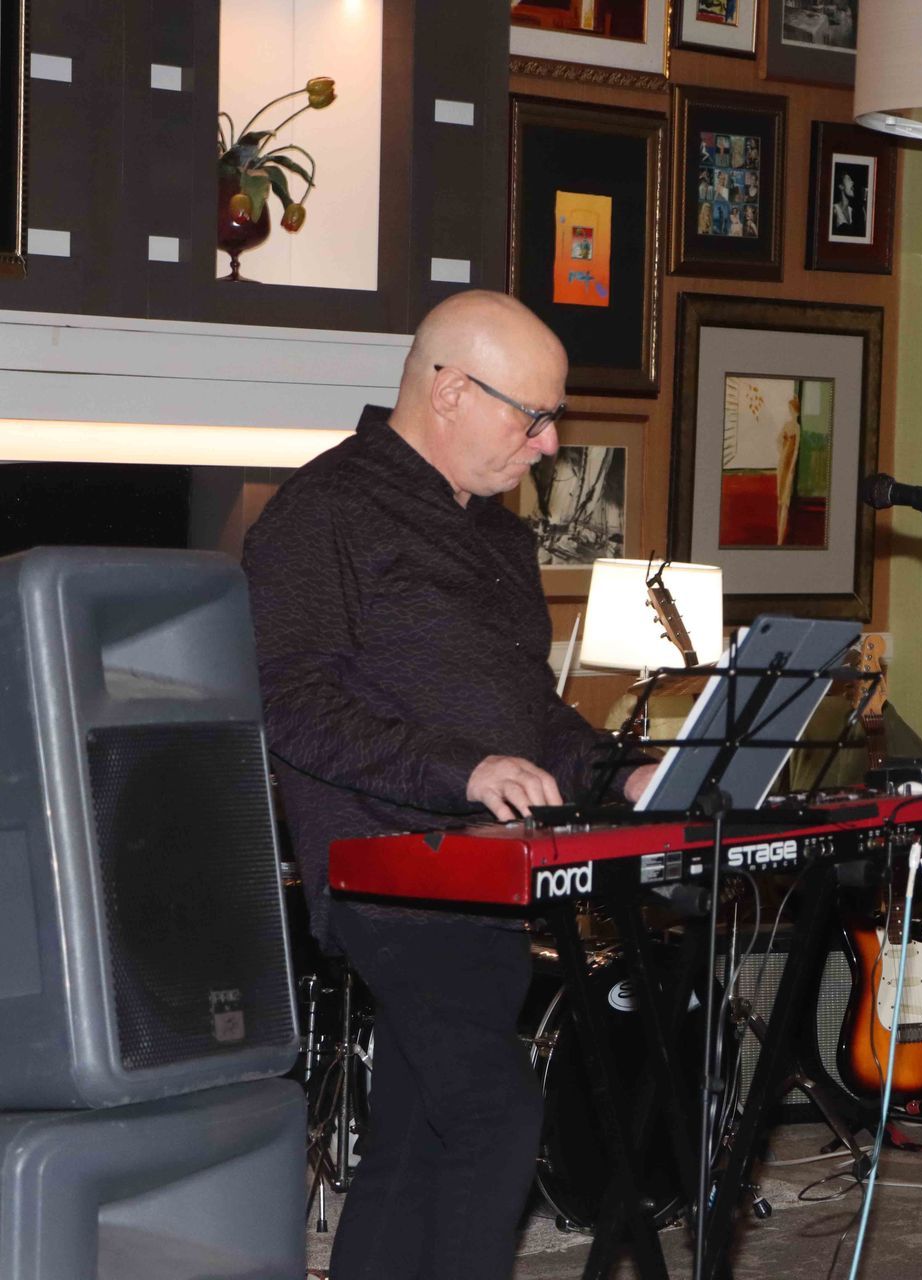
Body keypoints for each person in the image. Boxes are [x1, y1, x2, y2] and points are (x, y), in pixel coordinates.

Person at [243, 290, 656, 1280]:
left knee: (418, 1137)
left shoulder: (501, 538)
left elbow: (532, 716)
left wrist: (615, 769)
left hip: (488, 877)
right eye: (534, 415)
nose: (551, 445)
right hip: (387, 868)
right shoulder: (323, 511)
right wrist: (462, 769)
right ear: (453, 390)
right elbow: (288, 701)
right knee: (493, 1110)